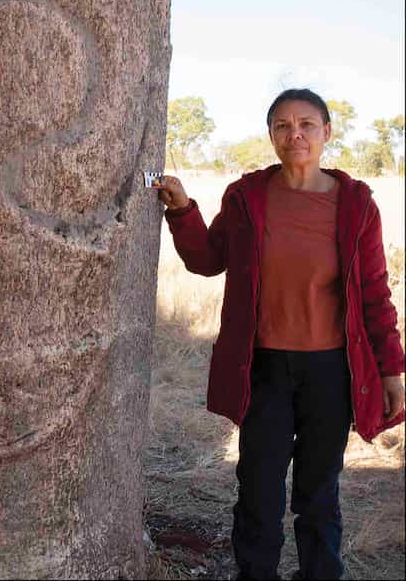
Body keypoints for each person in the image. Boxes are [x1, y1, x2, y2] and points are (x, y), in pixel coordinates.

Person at [157, 88, 405, 581]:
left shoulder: (356, 204)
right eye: (282, 126)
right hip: (264, 367)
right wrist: (183, 208)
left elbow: (374, 293)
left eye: (307, 125)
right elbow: (207, 259)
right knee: (258, 489)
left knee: (319, 492)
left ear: (327, 133)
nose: (295, 135)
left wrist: (392, 369)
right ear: (270, 136)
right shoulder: (248, 197)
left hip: (330, 372)